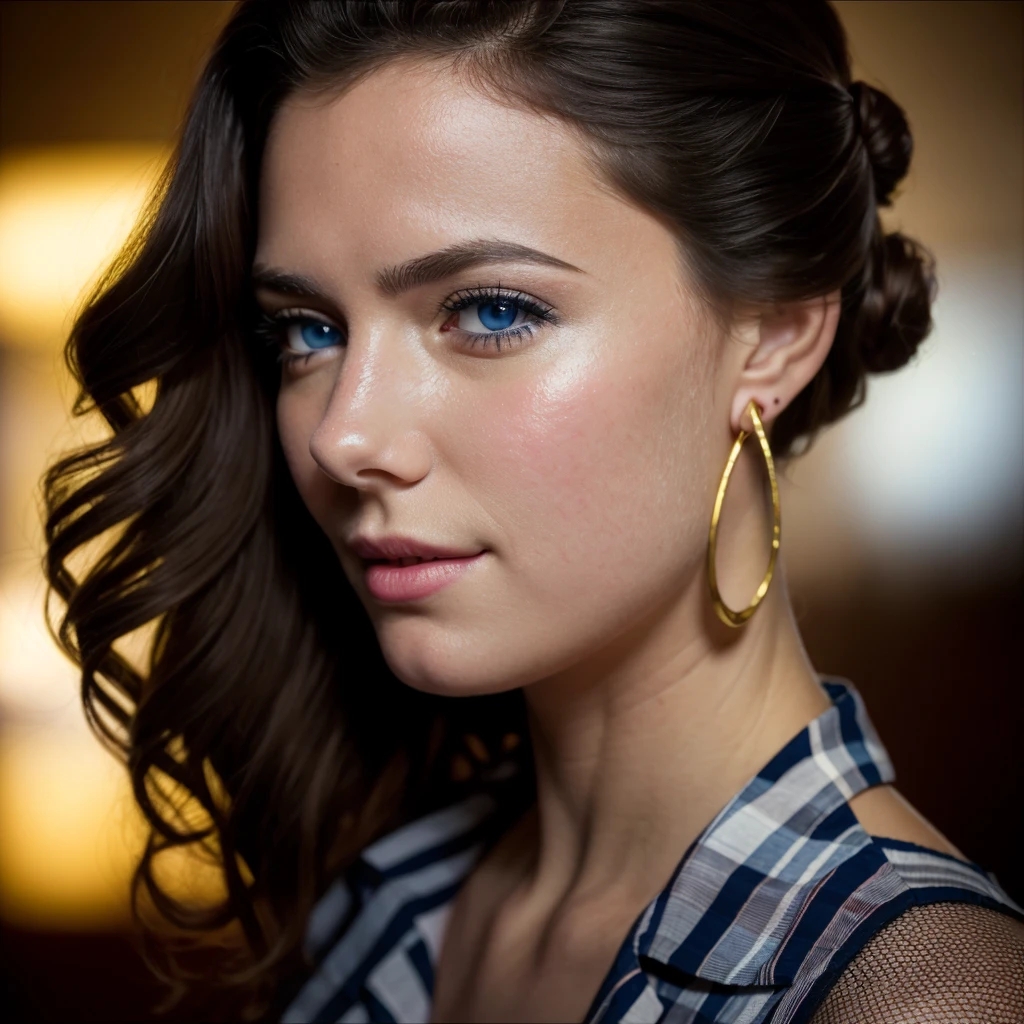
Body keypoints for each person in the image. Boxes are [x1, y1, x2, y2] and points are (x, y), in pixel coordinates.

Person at [43, 1, 1023, 1021]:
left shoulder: (915, 990)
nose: (344, 436)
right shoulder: (382, 901)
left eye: (490, 310)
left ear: (773, 335)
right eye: (306, 329)